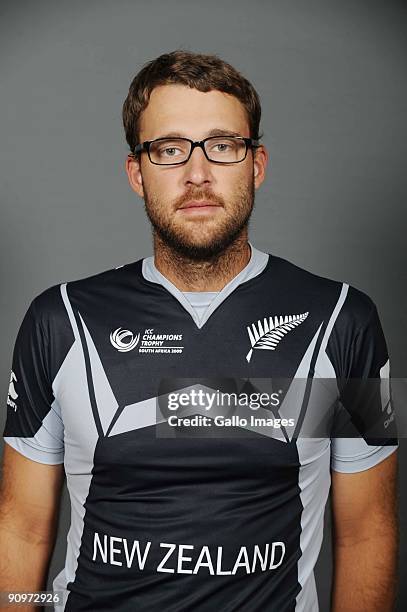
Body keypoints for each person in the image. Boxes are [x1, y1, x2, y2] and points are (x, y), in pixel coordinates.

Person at [0, 50, 399, 612]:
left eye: (222, 146)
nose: (197, 174)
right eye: (169, 150)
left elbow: (367, 531)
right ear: (136, 173)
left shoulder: (344, 319)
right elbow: (21, 530)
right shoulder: (58, 318)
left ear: (256, 164)